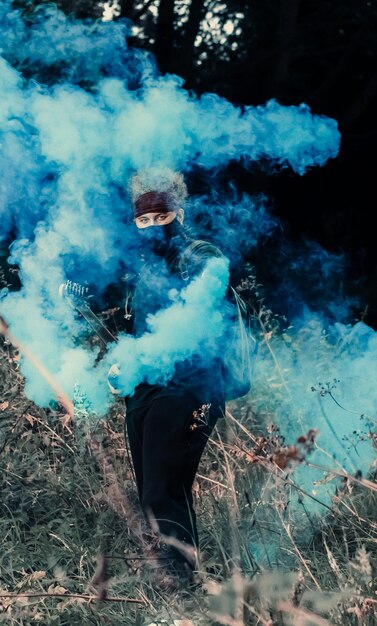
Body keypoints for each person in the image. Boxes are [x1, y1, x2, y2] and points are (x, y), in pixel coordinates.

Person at [110, 167, 228, 585]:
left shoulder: (200, 256)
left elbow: (204, 320)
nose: (151, 226)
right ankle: (177, 574)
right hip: (144, 391)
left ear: (177, 214)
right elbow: (128, 328)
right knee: (153, 492)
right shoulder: (138, 270)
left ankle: (179, 583)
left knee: (163, 489)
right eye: (142, 219)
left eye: (160, 216)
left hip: (188, 388)